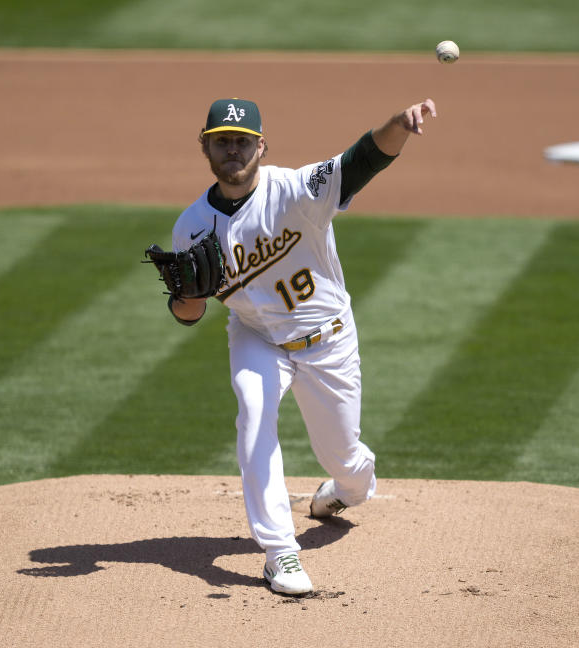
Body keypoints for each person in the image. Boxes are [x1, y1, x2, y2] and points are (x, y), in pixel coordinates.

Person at [165, 96, 438, 595]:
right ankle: (280, 552)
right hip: (257, 338)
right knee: (253, 412)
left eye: (242, 142)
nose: (233, 151)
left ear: (261, 145)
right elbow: (189, 314)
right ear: (205, 148)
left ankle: (345, 490)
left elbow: (361, 160)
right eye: (221, 141)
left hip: (328, 341)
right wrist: (187, 296)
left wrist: (399, 124)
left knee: (346, 460)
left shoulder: (297, 189)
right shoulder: (191, 226)